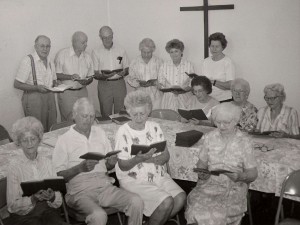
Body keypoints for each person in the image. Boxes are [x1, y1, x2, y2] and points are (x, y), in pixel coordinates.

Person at [52, 97, 143, 225]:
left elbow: (107, 165)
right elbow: (57, 176)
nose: (88, 121)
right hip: (80, 191)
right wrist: (79, 168)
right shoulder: (64, 139)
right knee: (99, 216)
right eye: (84, 116)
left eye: (91, 116)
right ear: (74, 115)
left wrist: (110, 163)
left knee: (136, 201)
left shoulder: (99, 132)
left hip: (104, 185)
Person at [115, 90, 186, 225]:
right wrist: (138, 159)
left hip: (158, 174)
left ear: (148, 111)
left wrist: (149, 159)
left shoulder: (155, 127)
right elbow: (123, 165)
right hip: (134, 178)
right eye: (135, 114)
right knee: (167, 201)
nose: (139, 117)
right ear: (128, 112)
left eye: (142, 113)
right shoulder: (123, 131)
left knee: (181, 198)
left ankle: (153, 222)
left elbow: (165, 156)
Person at [185, 103, 258, 225]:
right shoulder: (209, 137)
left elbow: (253, 174)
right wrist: (202, 172)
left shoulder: (245, 141)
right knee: (194, 212)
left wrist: (240, 176)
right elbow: (202, 163)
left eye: (226, 123)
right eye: (218, 122)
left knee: (216, 216)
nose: (221, 126)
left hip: (233, 187)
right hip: (208, 185)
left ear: (235, 121)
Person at [5, 117, 67, 225]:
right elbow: (12, 206)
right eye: (25, 140)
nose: (29, 143)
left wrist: (52, 197)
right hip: (24, 216)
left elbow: (59, 200)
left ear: (39, 140)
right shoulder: (14, 167)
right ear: (19, 142)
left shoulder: (47, 162)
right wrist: (32, 199)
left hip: (48, 211)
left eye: (33, 139)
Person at [14, 35, 57, 132]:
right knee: (36, 130)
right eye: (42, 46)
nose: (45, 49)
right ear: (35, 47)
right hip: (34, 99)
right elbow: (17, 84)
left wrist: (56, 84)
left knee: (51, 128)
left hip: (50, 97)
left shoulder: (50, 61)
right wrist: (36, 88)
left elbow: (53, 80)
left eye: (48, 46)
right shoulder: (28, 60)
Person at [55, 31, 94, 121]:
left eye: (86, 42)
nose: (86, 45)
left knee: (84, 118)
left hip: (83, 92)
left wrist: (88, 81)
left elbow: (91, 76)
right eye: (83, 42)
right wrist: (70, 77)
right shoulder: (62, 54)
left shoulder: (87, 56)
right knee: (68, 120)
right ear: (74, 42)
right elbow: (56, 75)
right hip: (67, 93)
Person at [92, 26, 129, 117]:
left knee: (121, 113)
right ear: (100, 37)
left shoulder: (121, 49)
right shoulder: (96, 52)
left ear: (113, 35)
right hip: (104, 85)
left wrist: (124, 72)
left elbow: (127, 68)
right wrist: (104, 76)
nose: (107, 39)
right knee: (105, 113)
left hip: (119, 84)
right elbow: (95, 74)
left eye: (109, 36)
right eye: (104, 37)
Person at [158, 39, 194, 111]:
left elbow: (192, 83)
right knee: (169, 119)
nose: (174, 54)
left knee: (184, 119)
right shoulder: (164, 65)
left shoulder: (188, 65)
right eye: (171, 52)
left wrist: (184, 90)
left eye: (176, 51)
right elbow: (160, 82)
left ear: (181, 51)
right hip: (168, 99)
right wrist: (162, 87)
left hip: (185, 98)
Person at [127, 38, 163, 109]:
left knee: (155, 117)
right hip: (140, 94)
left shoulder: (159, 61)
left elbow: (163, 77)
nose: (146, 55)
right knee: (142, 115)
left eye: (149, 52)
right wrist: (137, 83)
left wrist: (157, 82)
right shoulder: (135, 62)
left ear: (152, 51)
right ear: (140, 50)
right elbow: (130, 78)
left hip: (156, 95)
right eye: (144, 52)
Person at [202, 32, 235, 102]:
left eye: (217, 46)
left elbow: (230, 86)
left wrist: (213, 82)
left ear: (222, 47)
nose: (214, 49)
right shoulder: (205, 61)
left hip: (224, 100)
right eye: (212, 46)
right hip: (209, 100)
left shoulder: (228, 62)